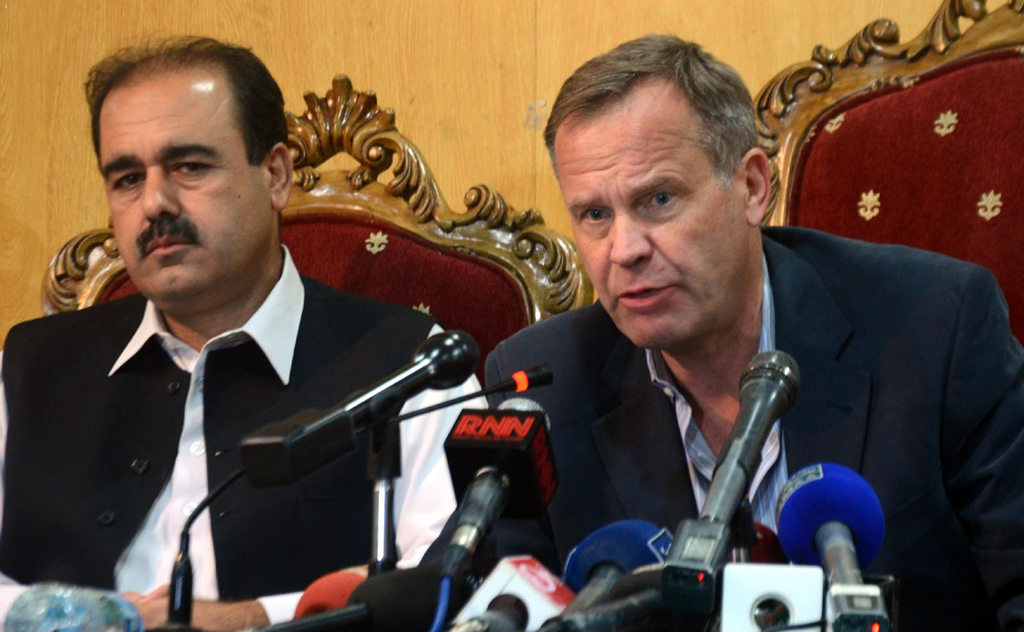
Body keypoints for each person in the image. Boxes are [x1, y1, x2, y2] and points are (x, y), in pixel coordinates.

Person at [475, 35, 1024, 631]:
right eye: (595, 215)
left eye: (658, 199)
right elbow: (482, 603)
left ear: (753, 188)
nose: (624, 250)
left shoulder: (935, 326)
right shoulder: (543, 385)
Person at [0, 37, 479, 631]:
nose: (154, 202)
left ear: (276, 175)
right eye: (126, 178)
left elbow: (453, 576)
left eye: (189, 167)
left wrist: (254, 618)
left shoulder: (410, 359)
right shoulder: (31, 364)